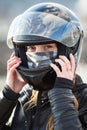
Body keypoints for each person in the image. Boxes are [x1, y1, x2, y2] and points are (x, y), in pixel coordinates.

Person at [0, 2, 87, 130]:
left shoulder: (84, 98)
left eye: (48, 47)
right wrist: (8, 95)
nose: (38, 54)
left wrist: (61, 93)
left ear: (68, 51)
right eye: (31, 48)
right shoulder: (26, 97)